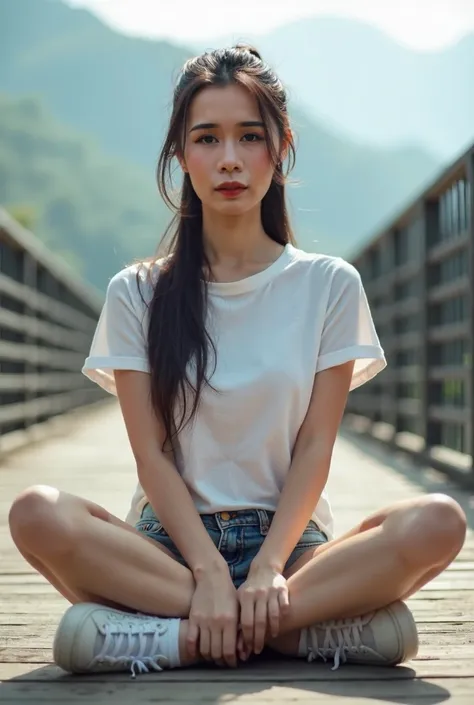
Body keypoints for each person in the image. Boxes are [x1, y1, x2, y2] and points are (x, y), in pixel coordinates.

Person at [8, 45, 466, 679]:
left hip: (292, 547)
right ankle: (288, 633)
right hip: (169, 546)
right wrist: (206, 570)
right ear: (181, 156)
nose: (229, 158)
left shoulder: (329, 285)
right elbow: (153, 456)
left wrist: (269, 568)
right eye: (207, 138)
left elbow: (314, 448)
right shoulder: (135, 293)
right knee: (35, 511)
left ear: (279, 149)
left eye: (250, 136)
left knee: (439, 522)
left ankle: (177, 637)